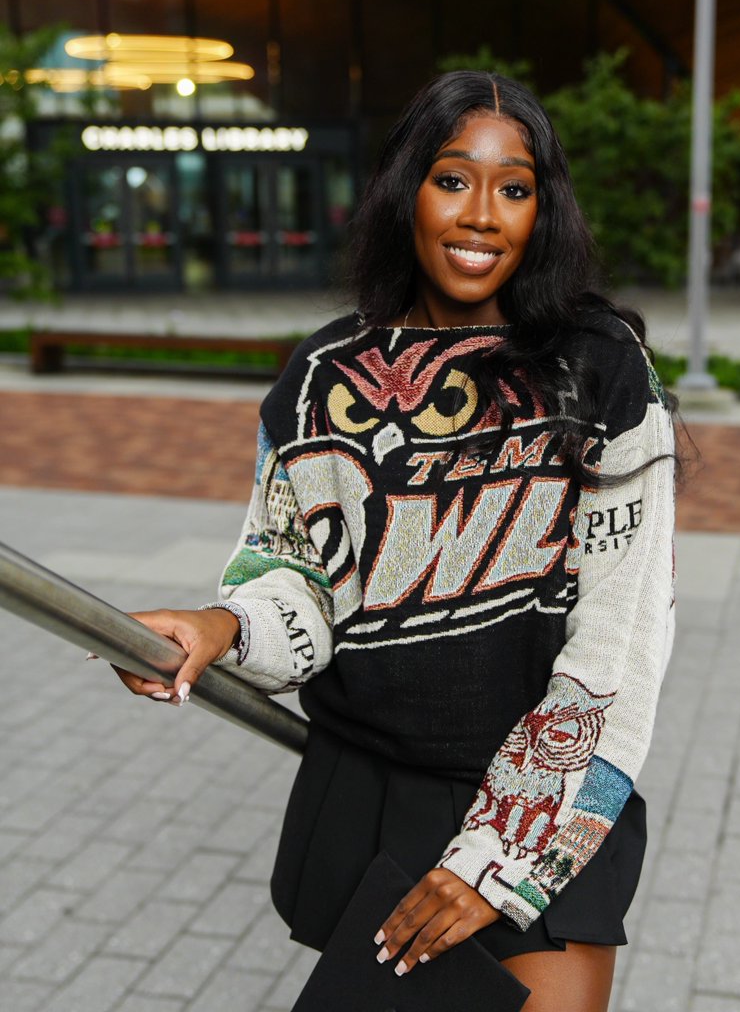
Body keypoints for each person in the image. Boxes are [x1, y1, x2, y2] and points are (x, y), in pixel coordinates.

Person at [108, 71, 677, 1012]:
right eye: (453, 179)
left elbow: (620, 638)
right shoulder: (322, 374)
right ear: (406, 190)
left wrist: (503, 858)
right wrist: (218, 631)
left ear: (543, 211)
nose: (483, 214)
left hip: (545, 788)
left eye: (515, 187)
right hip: (371, 790)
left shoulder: (600, 368)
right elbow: (294, 584)